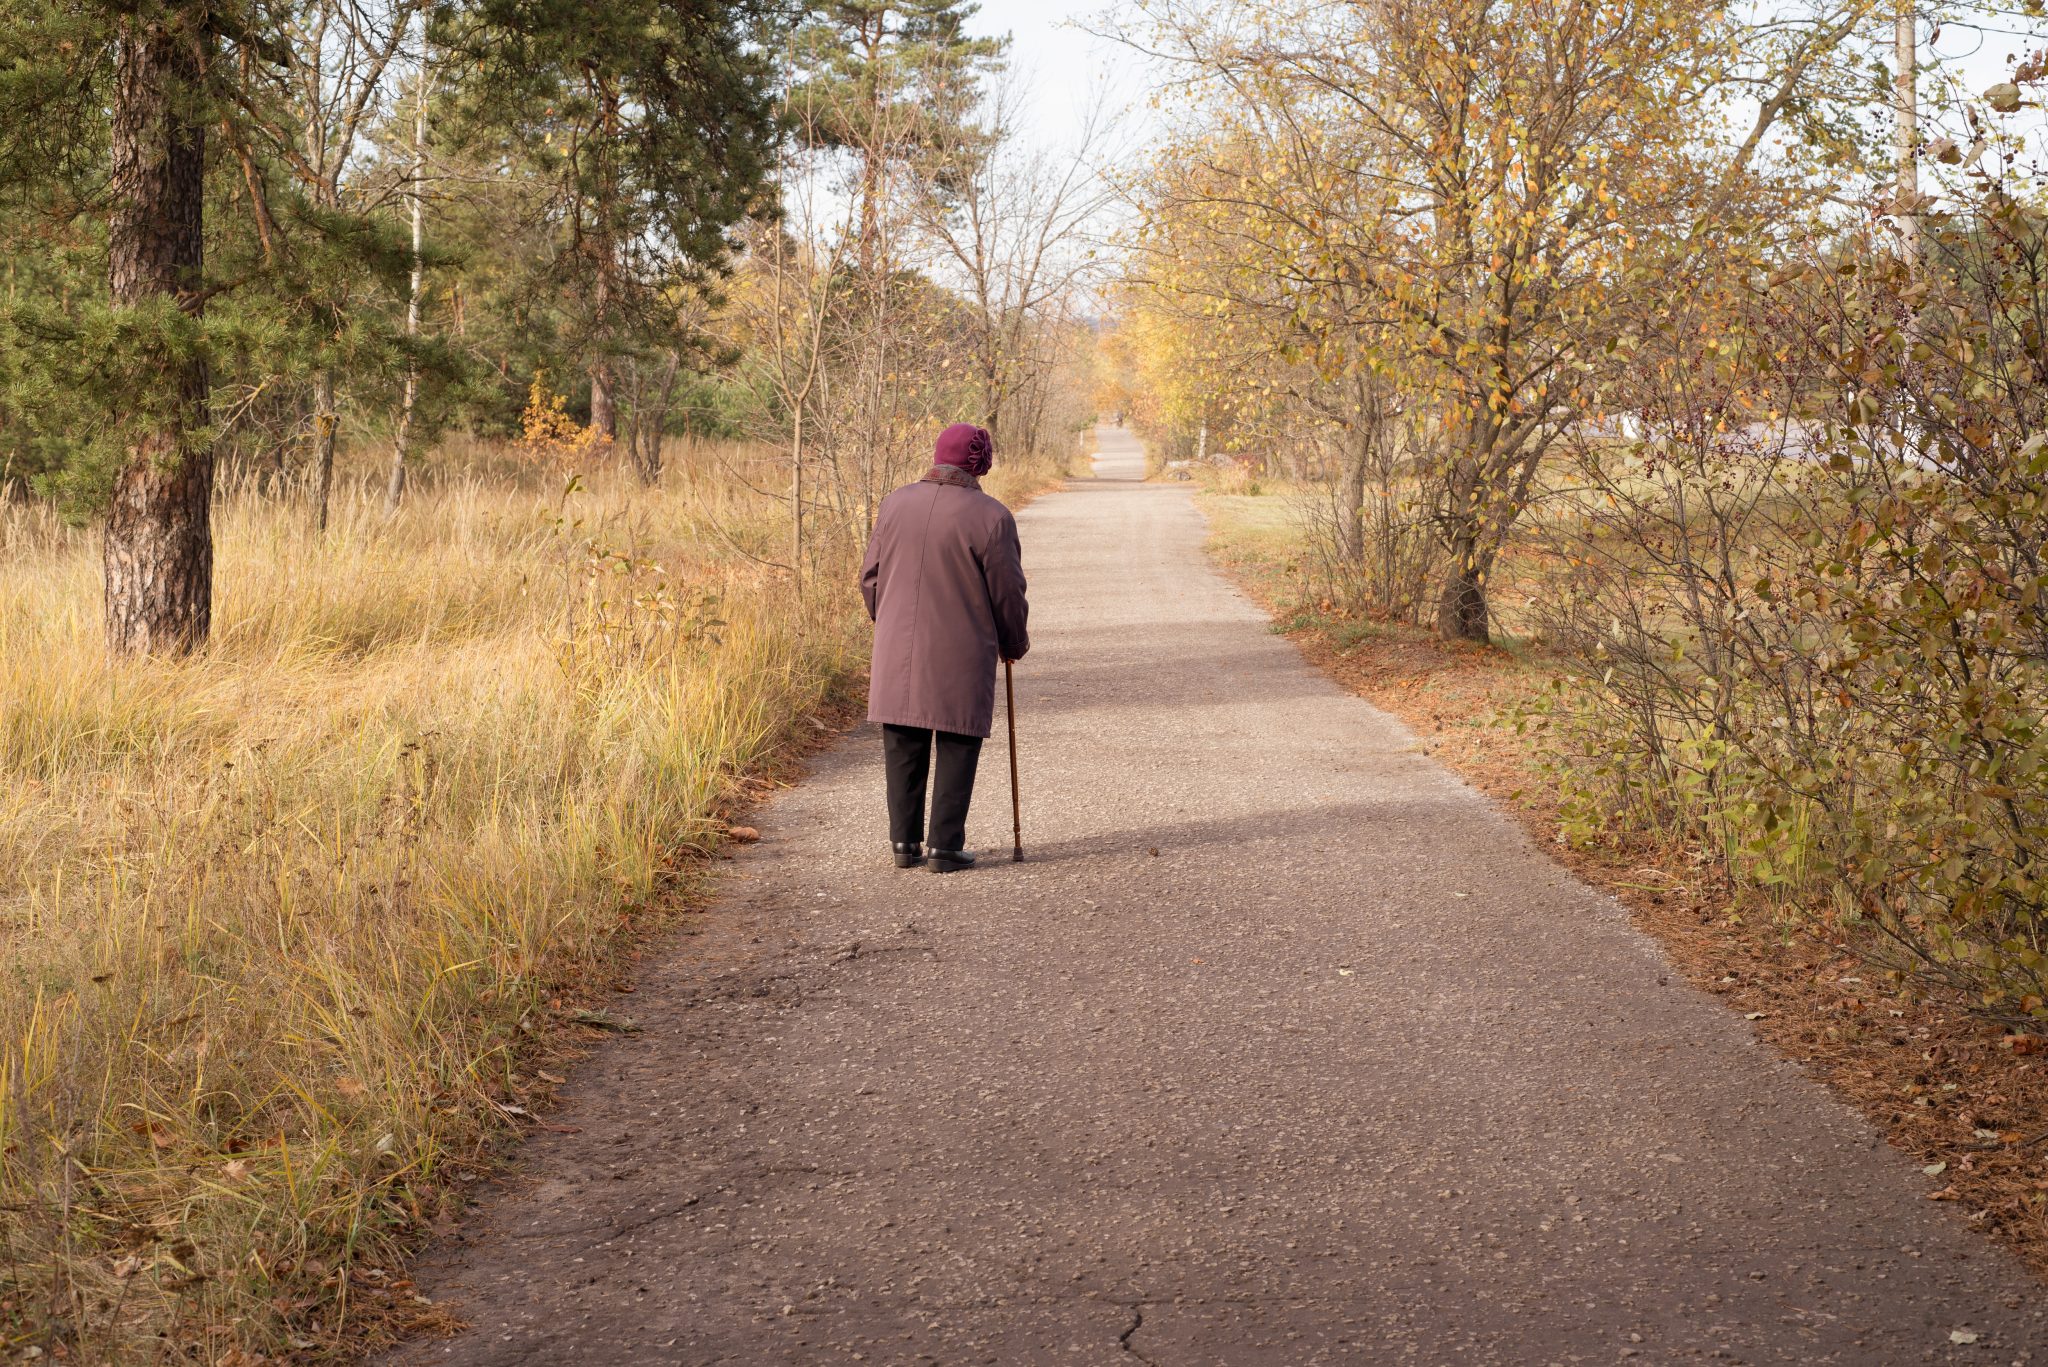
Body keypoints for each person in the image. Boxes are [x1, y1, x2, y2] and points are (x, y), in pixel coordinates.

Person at [860, 423, 1030, 873]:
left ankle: (903, 843)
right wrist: (1014, 642)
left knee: (902, 739)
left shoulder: (894, 503)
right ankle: (944, 847)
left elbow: (870, 577)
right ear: (979, 463)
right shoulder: (992, 517)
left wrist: (891, 621)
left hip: (896, 649)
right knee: (957, 739)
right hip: (961, 649)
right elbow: (1007, 592)